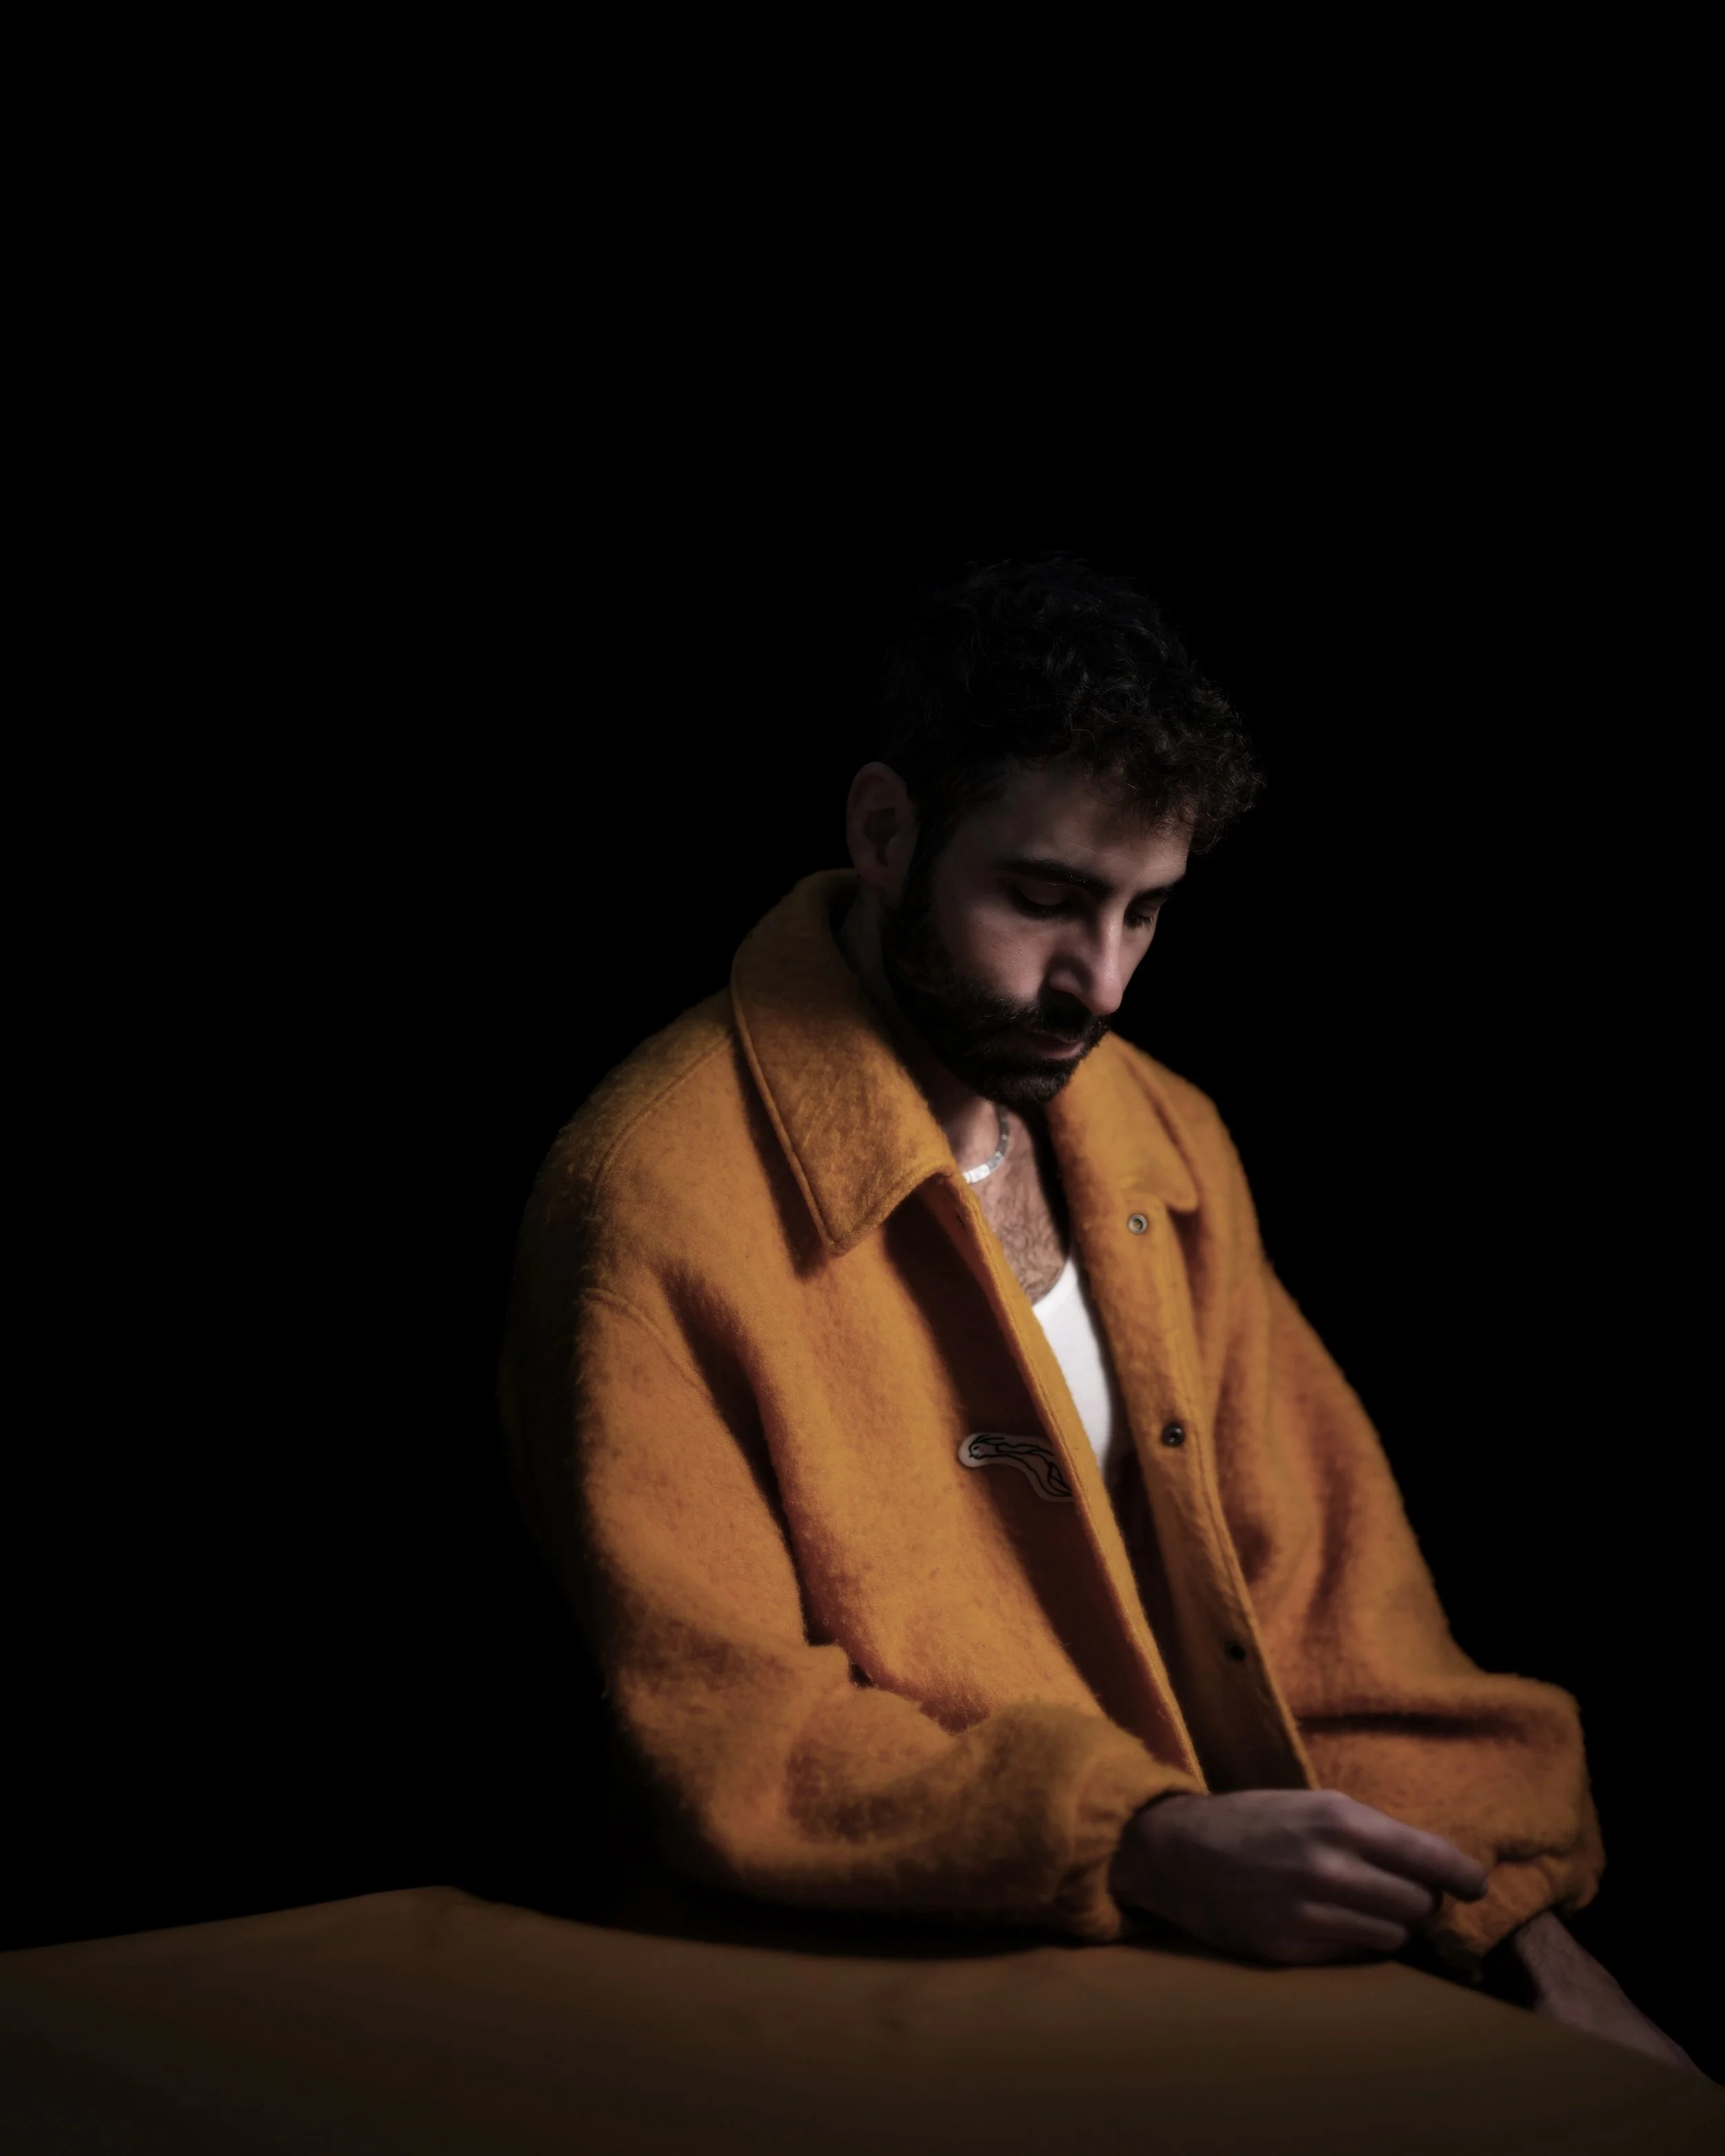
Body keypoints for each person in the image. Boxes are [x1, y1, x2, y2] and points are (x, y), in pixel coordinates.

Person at [499, 556, 1691, 2071]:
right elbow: (726, 1726)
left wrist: (1527, 1941)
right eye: (1045, 899)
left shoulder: (1160, 1136)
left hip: (1203, 1952)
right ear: (883, 830)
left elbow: (1335, 1608)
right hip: (829, 1998)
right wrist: (1141, 1841)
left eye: (1144, 913)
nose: (1101, 982)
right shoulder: (647, 1193)